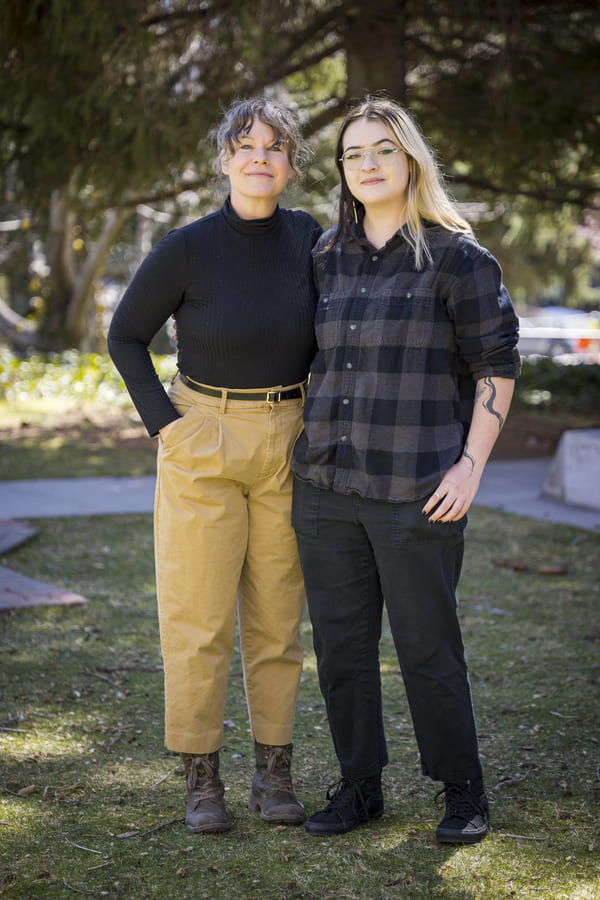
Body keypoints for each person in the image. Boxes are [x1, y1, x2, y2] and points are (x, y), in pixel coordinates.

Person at [291, 96, 520, 843]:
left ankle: (463, 790)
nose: (368, 163)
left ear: (411, 159)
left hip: (419, 491)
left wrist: (469, 469)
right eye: (354, 153)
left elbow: (496, 368)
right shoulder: (325, 255)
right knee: (342, 651)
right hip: (326, 488)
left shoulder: (458, 257)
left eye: (383, 150)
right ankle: (360, 787)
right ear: (343, 170)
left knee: (428, 648)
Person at [108, 97, 322, 834]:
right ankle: (202, 778)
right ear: (225, 159)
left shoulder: (312, 241)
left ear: (291, 164)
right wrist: (168, 429)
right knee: (197, 617)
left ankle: (275, 774)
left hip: (287, 439)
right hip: (202, 435)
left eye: (274, 146)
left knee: (277, 622)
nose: (259, 156)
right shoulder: (186, 247)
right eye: (245, 145)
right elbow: (125, 336)